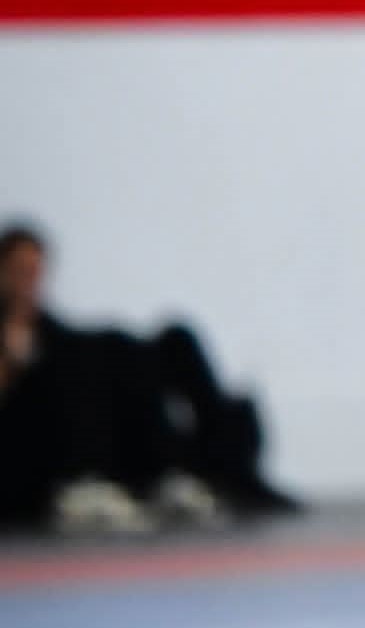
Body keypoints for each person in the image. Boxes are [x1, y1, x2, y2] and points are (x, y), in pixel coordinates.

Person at [0, 223, 297, 533]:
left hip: (113, 444)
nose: (29, 280)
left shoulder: (53, 332)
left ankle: (206, 470)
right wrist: (12, 360)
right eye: (20, 270)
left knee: (169, 341)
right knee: (89, 360)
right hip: (31, 462)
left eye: (35, 270)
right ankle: (110, 482)